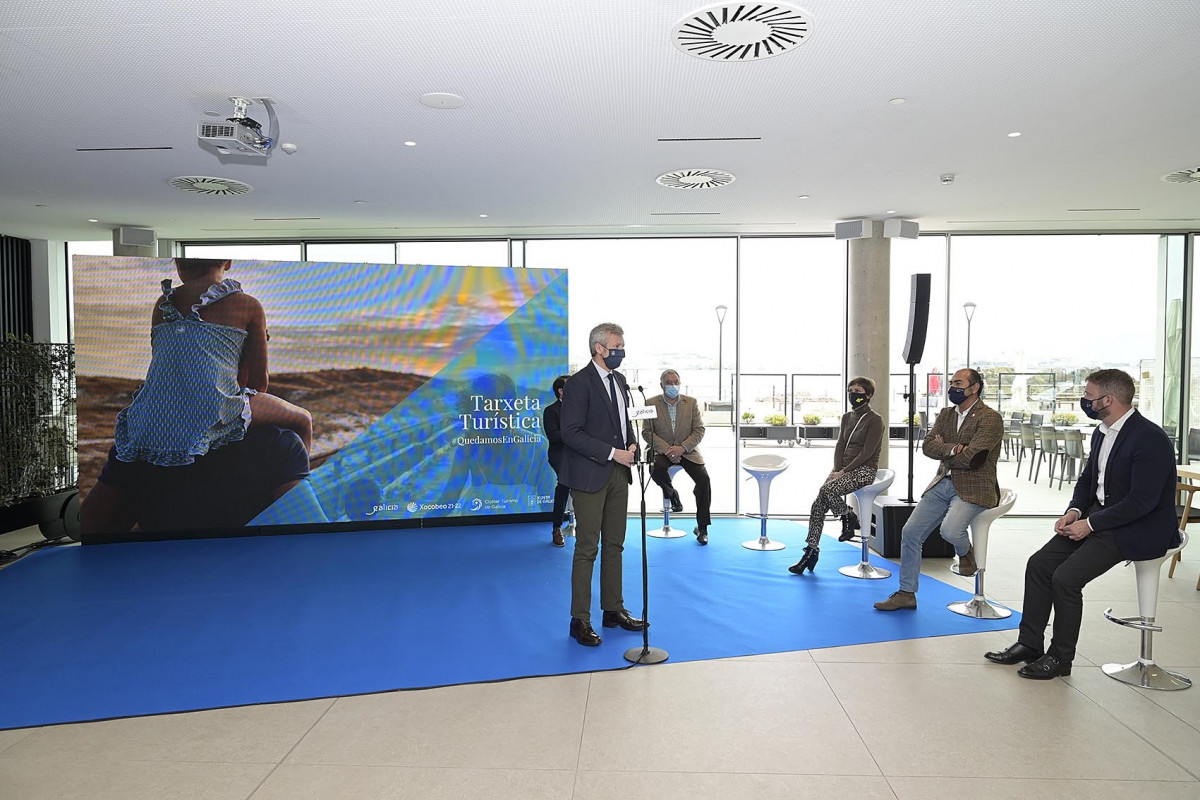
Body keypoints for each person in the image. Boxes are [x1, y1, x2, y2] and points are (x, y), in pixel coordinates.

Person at [985, 369, 1178, 679]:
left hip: (1137, 527)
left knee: (1065, 579)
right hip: (1099, 517)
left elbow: (1142, 502)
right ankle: (1029, 644)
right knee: (1039, 565)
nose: (1084, 401)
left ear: (1108, 400)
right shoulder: (1102, 431)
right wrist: (1075, 511)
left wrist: (1091, 524)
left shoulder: (1149, 439)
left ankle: (1060, 659)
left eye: (1088, 395)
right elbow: (1089, 479)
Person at [114, 258, 312, 468]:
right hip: (212, 412)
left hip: (151, 417)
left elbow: (174, 368)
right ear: (227, 262)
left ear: (179, 265)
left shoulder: (161, 306)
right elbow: (258, 386)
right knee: (303, 420)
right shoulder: (248, 304)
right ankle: (304, 483)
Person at [874, 368, 1003, 611]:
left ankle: (966, 553)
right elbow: (928, 447)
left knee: (951, 532)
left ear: (975, 387)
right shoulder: (945, 414)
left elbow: (976, 457)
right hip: (942, 482)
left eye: (959, 383)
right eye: (952, 382)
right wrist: (956, 449)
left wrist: (947, 451)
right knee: (910, 533)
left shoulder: (990, 418)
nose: (953, 387)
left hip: (975, 487)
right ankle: (906, 593)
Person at [558, 322, 646, 646]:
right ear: (599, 348)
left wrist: (632, 445)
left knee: (615, 546)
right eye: (617, 346)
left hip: (619, 475)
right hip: (589, 475)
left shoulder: (620, 380)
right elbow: (571, 432)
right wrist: (612, 453)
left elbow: (623, 422)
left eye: (622, 345)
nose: (621, 351)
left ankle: (613, 610)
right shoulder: (579, 384)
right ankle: (579, 620)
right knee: (586, 549)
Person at [80, 424, 311, 534]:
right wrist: (299, 418)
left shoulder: (138, 442)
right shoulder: (278, 444)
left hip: (162, 603)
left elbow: (88, 533)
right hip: (253, 604)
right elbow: (308, 545)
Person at [789, 376, 884, 574]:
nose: (853, 394)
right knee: (818, 504)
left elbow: (867, 452)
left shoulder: (875, 420)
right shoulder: (847, 418)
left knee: (826, 490)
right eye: (851, 390)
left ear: (868, 395)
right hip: (841, 470)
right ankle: (811, 551)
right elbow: (840, 444)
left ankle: (848, 516)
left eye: (858, 391)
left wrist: (844, 471)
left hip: (864, 469)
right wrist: (835, 470)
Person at [642, 369, 712, 545]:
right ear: (662, 385)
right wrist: (668, 450)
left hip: (688, 451)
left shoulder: (691, 403)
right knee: (655, 468)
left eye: (676, 382)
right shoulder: (650, 403)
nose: (673, 385)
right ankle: (672, 494)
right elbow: (646, 431)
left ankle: (702, 528)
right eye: (669, 382)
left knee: (704, 480)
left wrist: (682, 448)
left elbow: (699, 430)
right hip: (662, 451)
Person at [543, 374, 572, 547]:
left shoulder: (583, 408)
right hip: (560, 453)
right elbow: (553, 436)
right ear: (560, 391)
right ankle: (557, 527)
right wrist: (574, 436)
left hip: (581, 452)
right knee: (564, 484)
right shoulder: (550, 410)